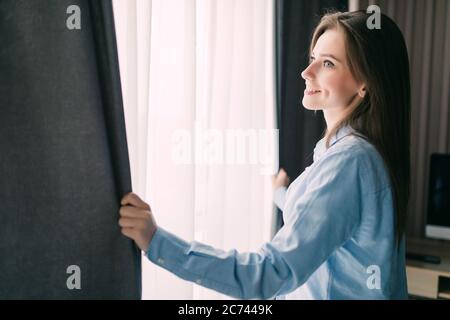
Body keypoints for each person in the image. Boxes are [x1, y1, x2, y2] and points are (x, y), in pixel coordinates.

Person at [118, 10, 411, 299]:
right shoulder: (363, 156)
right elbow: (330, 220)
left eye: (328, 64)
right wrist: (281, 194)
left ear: (365, 83)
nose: (306, 72)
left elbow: (271, 272)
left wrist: (157, 242)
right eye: (313, 59)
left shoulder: (349, 162)